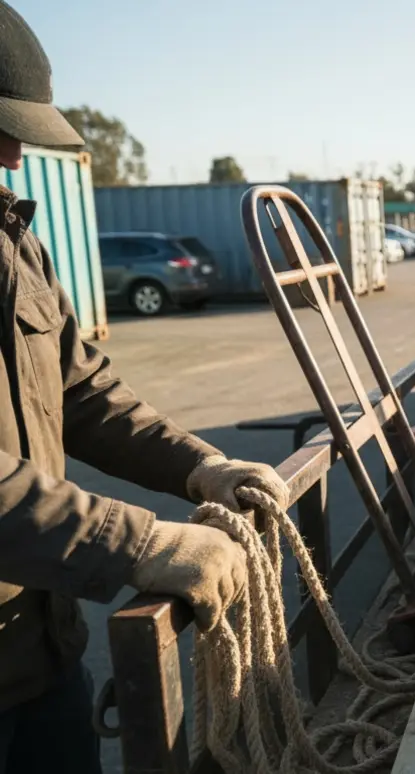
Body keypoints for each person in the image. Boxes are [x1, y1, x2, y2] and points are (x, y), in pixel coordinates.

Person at [0, 4, 288, 771]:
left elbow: (83, 394)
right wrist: (142, 542)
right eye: (1, 131)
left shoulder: (13, 240)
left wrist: (199, 466)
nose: (14, 158)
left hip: (37, 653)